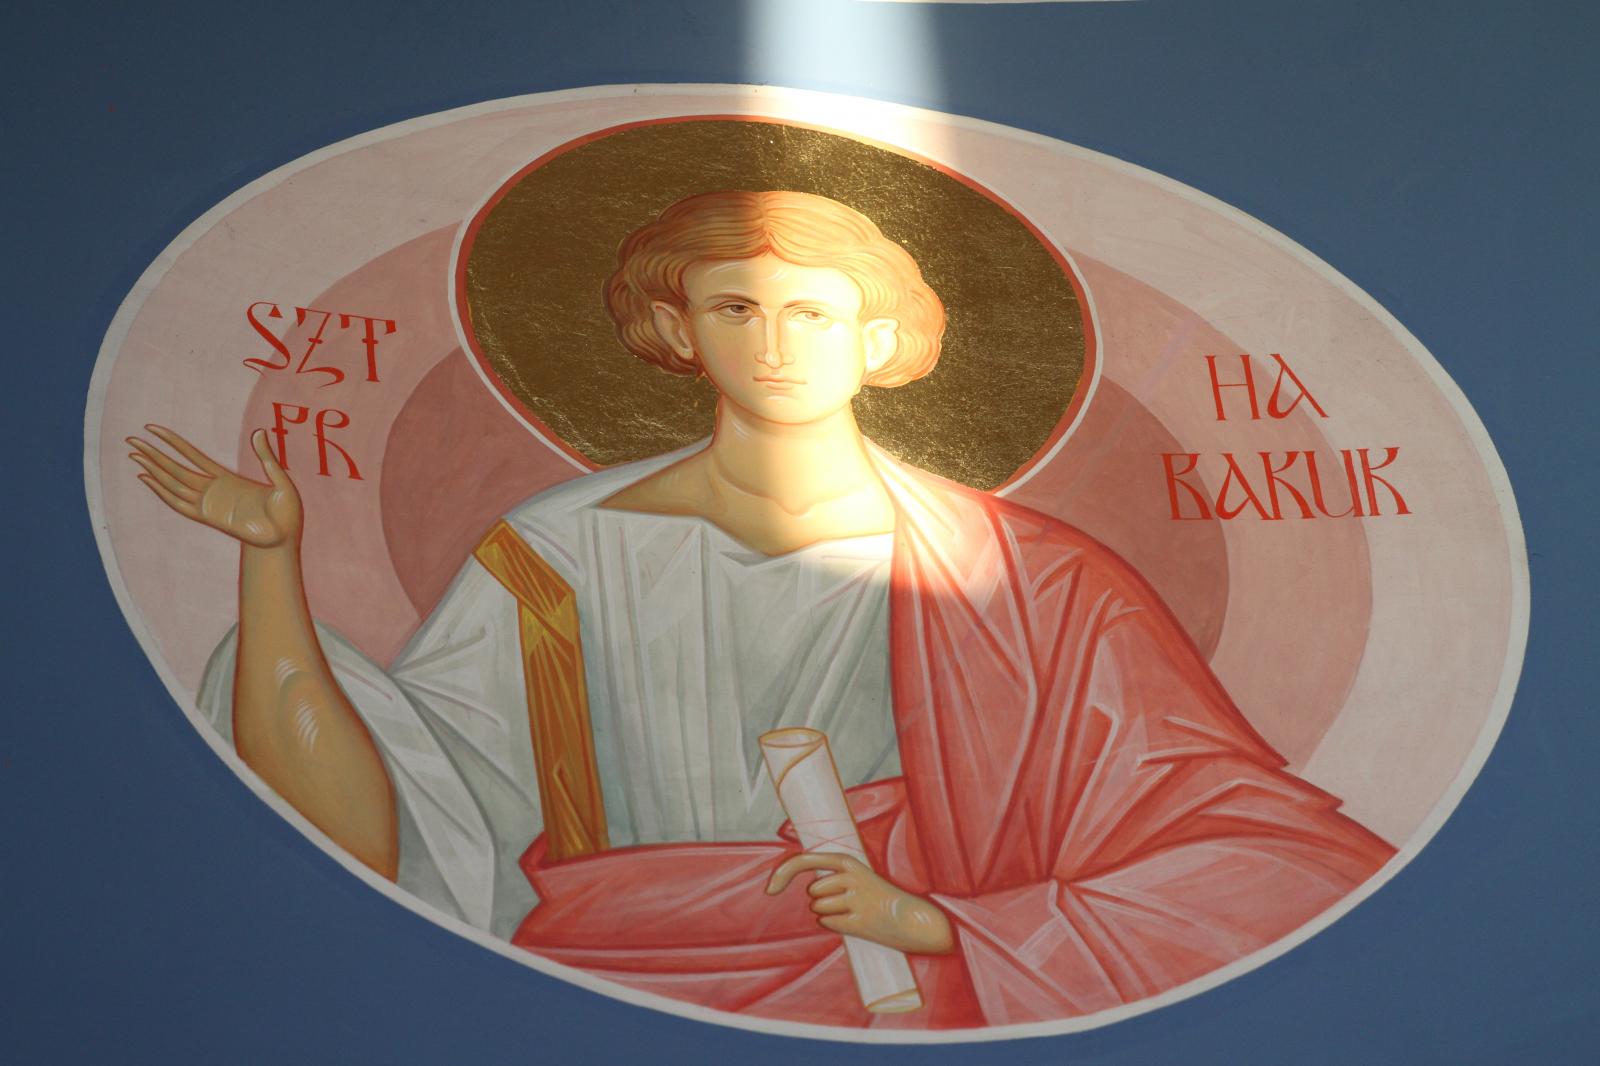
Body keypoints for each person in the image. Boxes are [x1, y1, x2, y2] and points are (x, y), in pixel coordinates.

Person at [128, 190, 1394, 1030]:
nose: (776, 343)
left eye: (815, 311)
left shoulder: (1029, 578)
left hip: (904, 997)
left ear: (882, 340)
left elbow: (1254, 849)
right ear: (674, 328)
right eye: (735, 306)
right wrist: (271, 564)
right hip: (597, 996)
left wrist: (940, 923)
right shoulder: (555, 553)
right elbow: (389, 826)